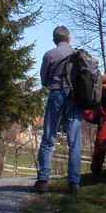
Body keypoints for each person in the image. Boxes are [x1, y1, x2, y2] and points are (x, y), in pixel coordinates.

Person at [35, 25, 81, 194]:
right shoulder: (77, 54)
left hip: (56, 95)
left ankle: (43, 180)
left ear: (55, 40)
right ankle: (74, 183)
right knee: (74, 141)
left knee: (49, 136)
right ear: (69, 38)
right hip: (75, 97)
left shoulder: (49, 54)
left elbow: (44, 79)